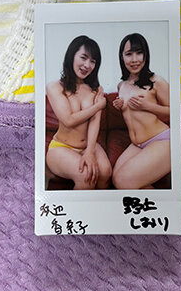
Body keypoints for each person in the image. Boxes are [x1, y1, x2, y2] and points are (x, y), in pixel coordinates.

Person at [46, 35, 112, 189]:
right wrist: (97, 106)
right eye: (83, 58)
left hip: (88, 145)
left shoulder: (96, 89)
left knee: (106, 172)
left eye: (93, 61)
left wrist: (90, 151)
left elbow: (94, 121)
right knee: (86, 176)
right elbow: (68, 120)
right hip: (62, 147)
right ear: (72, 56)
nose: (87, 65)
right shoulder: (55, 87)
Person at [112, 33, 171, 189]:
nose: (134, 59)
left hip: (161, 140)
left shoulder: (157, 81)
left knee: (123, 181)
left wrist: (148, 106)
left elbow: (176, 112)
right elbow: (134, 115)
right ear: (122, 57)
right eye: (129, 54)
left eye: (139, 53)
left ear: (146, 54)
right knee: (116, 179)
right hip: (137, 144)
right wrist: (120, 105)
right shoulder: (121, 85)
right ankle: (159, 204)